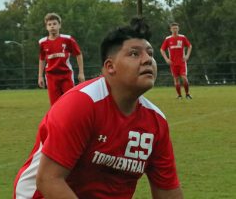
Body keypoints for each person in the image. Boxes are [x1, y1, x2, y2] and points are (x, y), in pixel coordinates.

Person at [14, 17, 183, 199]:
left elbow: (168, 192)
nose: (148, 60)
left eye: (150, 54)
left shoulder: (156, 122)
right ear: (110, 67)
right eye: (135, 54)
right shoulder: (81, 104)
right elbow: (49, 180)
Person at [38, 13, 85, 105]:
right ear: (46, 27)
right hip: (51, 76)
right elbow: (42, 59)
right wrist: (40, 76)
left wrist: (81, 72)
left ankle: (72, 119)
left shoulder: (68, 39)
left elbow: (78, 54)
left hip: (66, 75)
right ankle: (58, 119)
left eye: (55, 24)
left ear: (59, 25)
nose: (52, 26)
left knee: (70, 102)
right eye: (49, 24)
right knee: (55, 105)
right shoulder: (42, 42)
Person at [160, 22, 192, 99]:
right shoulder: (168, 39)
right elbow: (162, 49)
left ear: (178, 29)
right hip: (173, 63)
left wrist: (187, 56)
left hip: (182, 62)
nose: (175, 30)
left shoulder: (182, 37)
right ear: (170, 29)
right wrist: (166, 59)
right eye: (173, 28)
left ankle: (187, 94)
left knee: (184, 78)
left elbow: (190, 46)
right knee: (176, 79)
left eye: (176, 28)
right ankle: (179, 95)